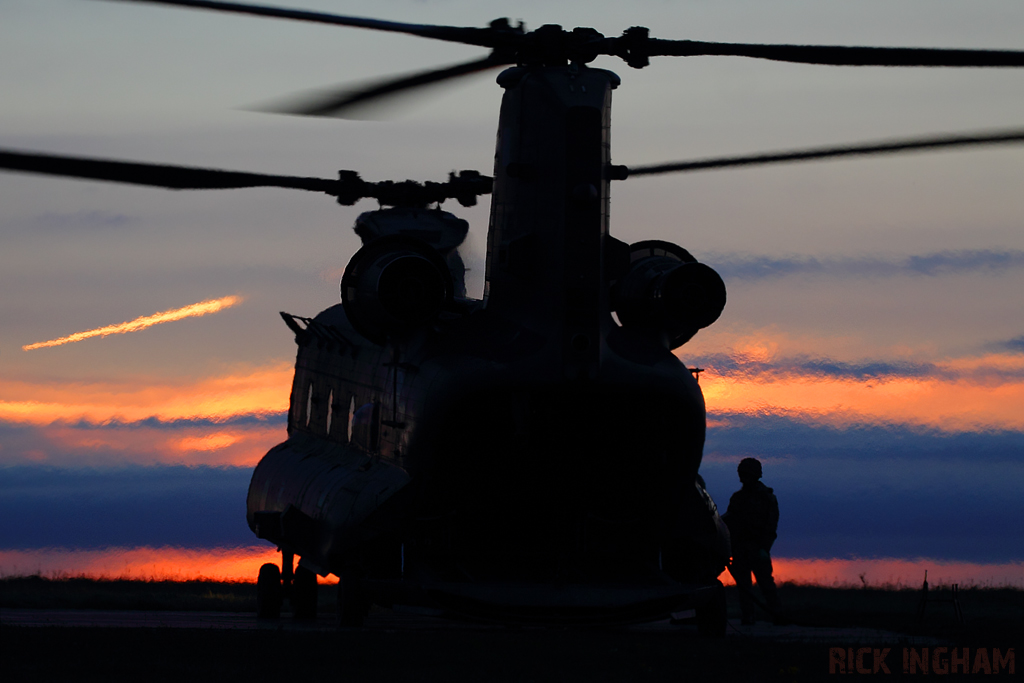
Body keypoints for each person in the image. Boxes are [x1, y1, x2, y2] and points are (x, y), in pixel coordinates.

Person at [722, 457, 785, 625]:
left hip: (757, 549)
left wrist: (764, 548)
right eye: (741, 474)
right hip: (740, 549)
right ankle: (748, 617)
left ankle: (777, 615)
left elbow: (771, 525)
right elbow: (729, 523)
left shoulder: (766, 498)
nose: (743, 477)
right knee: (744, 587)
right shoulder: (738, 498)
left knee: (766, 585)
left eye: (746, 474)